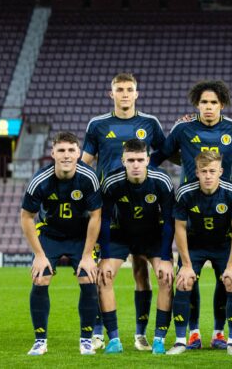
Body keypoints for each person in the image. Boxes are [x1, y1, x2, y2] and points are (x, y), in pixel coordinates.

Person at [150, 80, 232, 350]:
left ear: (222, 105)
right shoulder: (183, 127)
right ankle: (191, 334)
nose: (208, 107)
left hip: (224, 214)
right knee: (187, 280)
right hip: (191, 212)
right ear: (197, 104)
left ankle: (220, 334)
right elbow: (159, 155)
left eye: (214, 103)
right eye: (204, 102)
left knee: (227, 281)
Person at [82, 73, 167, 351]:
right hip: (110, 208)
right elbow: (86, 161)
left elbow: (166, 153)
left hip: (144, 211)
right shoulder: (97, 124)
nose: (125, 94)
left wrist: (183, 130)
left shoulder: (150, 123)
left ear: (137, 93)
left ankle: (141, 334)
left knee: (141, 273)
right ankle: (97, 332)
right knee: (101, 274)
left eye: (130, 89)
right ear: (112, 94)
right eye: (120, 90)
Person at [21, 132, 102, 355]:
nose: (66, 155)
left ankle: (86, 339)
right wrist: (39, 255)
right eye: (61, 150)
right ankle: (40, 341)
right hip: (50, 235)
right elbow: (26, 217)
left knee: (88, 278)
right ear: (53, 153)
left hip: (80, 236)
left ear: (78, 152)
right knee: (41, 277)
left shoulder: (88, 177)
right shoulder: (40, 180)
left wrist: (87, 256)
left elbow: (96, 216)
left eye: (70, 150)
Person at [96, 139, 175, 355]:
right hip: (120, 235)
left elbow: (169, 221)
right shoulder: (112, 182)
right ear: (123, 161)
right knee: (104, 276)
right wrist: (104, 256)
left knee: (166, 278)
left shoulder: (162, 181)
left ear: (148, 160)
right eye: (131, 160)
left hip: (153, 236)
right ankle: (113, 340)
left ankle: (156, 338)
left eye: (140, 160)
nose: (136, 165)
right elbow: (102, 219)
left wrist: (167, 257)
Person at [166, 150, 232, 356]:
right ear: (197, 172)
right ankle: (185, 339)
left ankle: (229, 340)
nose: (208, 175)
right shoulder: (185, 192)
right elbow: (180, 228)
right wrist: (185, 264)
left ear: (221, 171)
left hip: (224, 246)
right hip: (195, 245)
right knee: (184, 281)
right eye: (204, 171)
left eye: (212, 171)